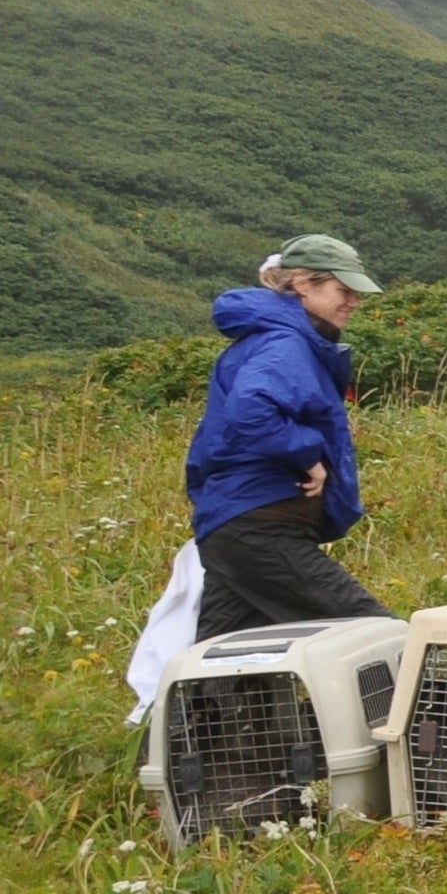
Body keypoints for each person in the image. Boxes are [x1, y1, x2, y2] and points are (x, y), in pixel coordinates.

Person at [182, 236, 394, 640]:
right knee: (374, 634)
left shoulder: (280, 335)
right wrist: (307, 454)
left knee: (229, 664)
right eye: (343, 291)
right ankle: (433, 703)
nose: (353, 302)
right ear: (302, 285)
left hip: (236, 525)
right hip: (260, 524)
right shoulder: (286, 341)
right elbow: (251, 407)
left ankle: (202, 706)